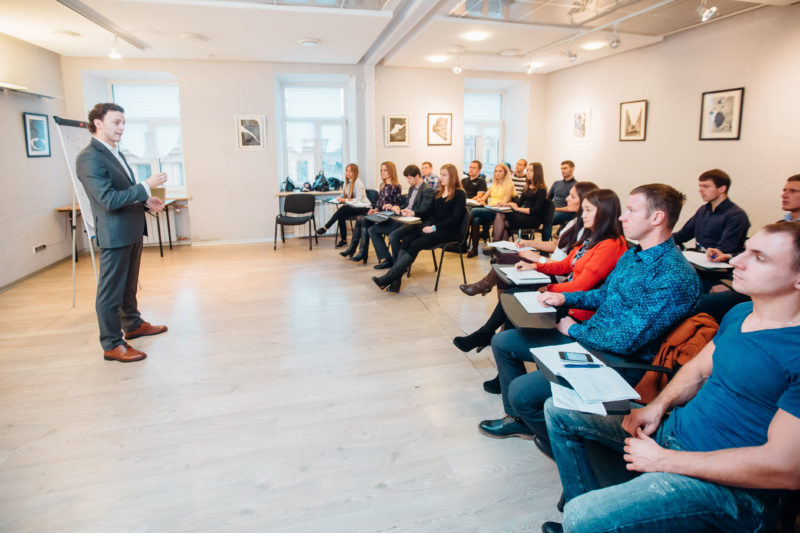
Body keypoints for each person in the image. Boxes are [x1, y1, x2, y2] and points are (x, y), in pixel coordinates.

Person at [541, 221, 800, 533]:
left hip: (734, 489)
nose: (736, 261)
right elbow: (697, 369)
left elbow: (785, 469)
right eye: (745, 250)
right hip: (674, 435)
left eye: (759, 258)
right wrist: (656, 407)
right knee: (558, 410)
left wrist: (663, 461)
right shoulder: (741, 313)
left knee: (581, 516)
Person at [477, 184, 702, 455]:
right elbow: (605, 295)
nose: (622, 216)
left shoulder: (673, 274)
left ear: (657, 218)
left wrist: (574, 330)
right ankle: (522, 422)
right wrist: (564, 299)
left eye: (631, 210)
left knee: (521, 393)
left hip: (617, 360)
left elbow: (626, 340)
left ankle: (565, 449)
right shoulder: (634, 255)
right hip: (592, 338)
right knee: (504, 342)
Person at [455, 188, 627, 350]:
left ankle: (490, 337)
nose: (583, 215)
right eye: (583, 210)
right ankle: (493, 339)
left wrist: (547, 288)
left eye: (588, 210)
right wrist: (534, 266)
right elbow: (564, 265)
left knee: (514, 296)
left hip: (575, 306)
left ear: (604, 213)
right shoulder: (592, 239)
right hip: (565, 296)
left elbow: (579, 287)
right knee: (512, 296)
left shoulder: (610, 245)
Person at [76, 102, 168, 363]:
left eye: (124, 123)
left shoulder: (115, 152)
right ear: (98, 123)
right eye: (116, 122)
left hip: (132, 228)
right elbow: (108, 199)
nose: (122, 127)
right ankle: (112, 343)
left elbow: (122, 191)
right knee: (110, 291)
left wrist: (145, 200)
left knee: (129, 285)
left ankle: (133, 324)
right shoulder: (89, 157)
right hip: (115, 233)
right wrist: (145, 186)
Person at [459, 182, 599, 298]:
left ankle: (483, 286)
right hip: (549, 266)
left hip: (555, 274)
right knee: (505, 264)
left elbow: (566, 267)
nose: (567, 198)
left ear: (584, 201)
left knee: (506, 260)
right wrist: (528, 243)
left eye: (572, 196)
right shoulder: (575, 222)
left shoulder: (586, 230)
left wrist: (539, 259)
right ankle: (490, 293)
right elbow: (555, 245)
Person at [372, 164, 466, 294]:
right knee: (406, 240)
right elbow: (428, 212)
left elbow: (455, 218)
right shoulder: (438, 193)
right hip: (435, 228)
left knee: (416, 243)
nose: (441, 177)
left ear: (453, 176)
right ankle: (395, 281)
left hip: (449, 231)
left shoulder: (459, 194)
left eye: (444, 175)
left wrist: (434, 227)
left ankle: (389, 277)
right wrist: (413, 213)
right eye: (441, 174)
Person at [673, 169, 750, 264]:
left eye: (706, 186)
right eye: (700, 186)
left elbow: (724, 250)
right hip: (700, 261)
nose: (700, 190)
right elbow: (682, 235)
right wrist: (660, 239)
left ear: (722, 189)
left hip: (719, 266)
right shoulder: (703, 210)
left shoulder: (736, 215)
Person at [368, 164, 434, 270]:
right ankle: (388, 259)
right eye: (407, 178)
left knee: (393, 236)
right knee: (372, 230)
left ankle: (398, 265)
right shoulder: (412, 188)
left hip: (415, 223)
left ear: (417, 176)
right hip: (403, 219)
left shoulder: (427, 190)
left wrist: (411, 212)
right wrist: (395, 207)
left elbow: (424, 211)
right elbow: (406, 205)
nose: (407, 181)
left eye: (409, 178)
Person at [340, 162, 402, 263]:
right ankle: (359, 250)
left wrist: (383, 211)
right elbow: (379, 203)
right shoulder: (382, 185)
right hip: (380, 214)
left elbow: (396, 206)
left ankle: (360, 250)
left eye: (385, 170)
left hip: (389, 217)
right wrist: (375, 210)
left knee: (363, 219)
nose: (382, 172)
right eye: (381, 170)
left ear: (391, 171)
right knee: (361, 218)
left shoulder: (396, 186)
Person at [466, 164, 516, 257]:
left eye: (500, 171)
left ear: (505, 173)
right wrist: (480, 200)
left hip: (500, 212)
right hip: (490, 209)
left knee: (474, 211)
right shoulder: (493, 185)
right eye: (496, 171)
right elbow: (483, 198)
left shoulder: (509, 185)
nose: (497, 173)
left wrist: (486, 205)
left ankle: (462, 234)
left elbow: (503, 203)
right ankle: (474, 249)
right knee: (476, 219)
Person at [491, 162, 548, 243]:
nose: (528, 172)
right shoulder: (527, 187)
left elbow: (534, 210)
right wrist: (505, 204)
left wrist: (517, 209)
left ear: (537, 173)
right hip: (523, 216)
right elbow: (519, 203)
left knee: (501, 217)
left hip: (533, 219)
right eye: (527, 170)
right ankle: (499, 246)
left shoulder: (541, 190)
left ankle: (495, 243)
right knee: (503, 222)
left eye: (531, 171)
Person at [316, 163, 370, 247]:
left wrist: (344, 200)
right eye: (346, 170)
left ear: (355, 172)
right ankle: (343, 241)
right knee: (341, 215)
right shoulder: (347, 182)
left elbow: (358, 200)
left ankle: (325, 227)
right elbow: (344, 194)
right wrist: (339, 198)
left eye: (350, 171)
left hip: (364, 207)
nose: (347, 173)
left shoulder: (358, 183)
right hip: (355, 207)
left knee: (343, 209)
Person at [548, 160, 578, 228]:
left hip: (567, 212)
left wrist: (556, 209)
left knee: (548, 218)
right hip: (554, 210)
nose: (562, 171)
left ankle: (546, 236)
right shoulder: (556, 183)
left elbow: (574, 208)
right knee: (536, 214)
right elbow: (548, 199)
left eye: (565, 168)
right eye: (561, 169)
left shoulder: (576, 186)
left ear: (572, 169)